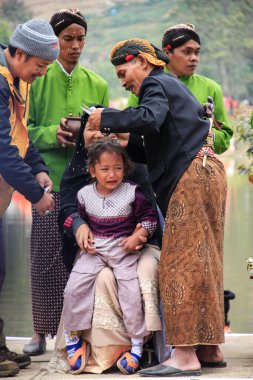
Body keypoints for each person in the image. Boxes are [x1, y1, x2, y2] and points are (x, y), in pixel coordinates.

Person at [88, 38, 227, 377]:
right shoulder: (169, 86)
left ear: (142, 62)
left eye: (124, 71)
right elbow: (155, 144)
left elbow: (149, 119)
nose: (123, 81)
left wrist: (103, 118)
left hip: (191, 177)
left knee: (180, 264)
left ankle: (183, 356)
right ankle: (209, 348)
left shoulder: (155, 82)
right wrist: (122, 141)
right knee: (205, 262)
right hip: (207, 171)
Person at [46, 117, 164, 375]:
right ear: (91, 170)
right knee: (76, 286)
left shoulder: (133, 186)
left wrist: (140, 233)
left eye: (105, 129)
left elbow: (149, 216)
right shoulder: (82, 188)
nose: (112, 175)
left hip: (128, 248)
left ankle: (136, 346)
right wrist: (79, 225)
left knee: (132, 288)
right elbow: (67, 211)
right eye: (91, 129)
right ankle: (76, 340)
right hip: (95, 249)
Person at [24, 8, 109, 356]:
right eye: (67, 39)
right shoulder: (36, 80)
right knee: (44, 257)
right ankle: (40, 332)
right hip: (48, 181)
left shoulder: (98, 83)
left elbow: (104, 133)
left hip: (87, 186)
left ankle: (79, 332)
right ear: (55, 41)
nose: (75, 45)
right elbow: (22, 130)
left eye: (80, 39)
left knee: (84, 259)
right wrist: (52, 133)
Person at [0, 19, 59, 377]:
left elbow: (19, 134)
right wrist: (37, 196)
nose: (39, 74)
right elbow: (3, 152)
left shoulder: (15, 78)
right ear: (18, 53)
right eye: (38, 66)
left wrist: (37, 166)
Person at [127, 23, 233, 155]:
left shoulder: (211, 88)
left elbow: (224, 141)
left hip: (198, 171)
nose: (194, 58)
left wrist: (201, 133)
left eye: (196, 52)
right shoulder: (144, 86)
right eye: (187, 52)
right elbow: (131, 132)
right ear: (167, 53)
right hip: (156, 171)